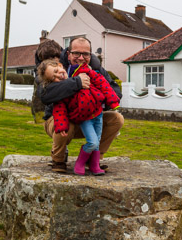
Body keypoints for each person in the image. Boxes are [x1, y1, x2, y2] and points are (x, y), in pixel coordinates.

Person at [36, 37, 124, 173]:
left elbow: (114, 91)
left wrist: (96, 100)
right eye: (76, 53)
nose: (81, 58)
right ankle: (58, 160)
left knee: (116, 119)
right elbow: (45, 94)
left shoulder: (95, 67)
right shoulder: (55, 67)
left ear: (90, 54)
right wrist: (77, 82)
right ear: (68, 53)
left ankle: (93, 159)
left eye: (86, 54)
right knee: (66, 124)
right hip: (58, 118)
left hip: (86, 117)